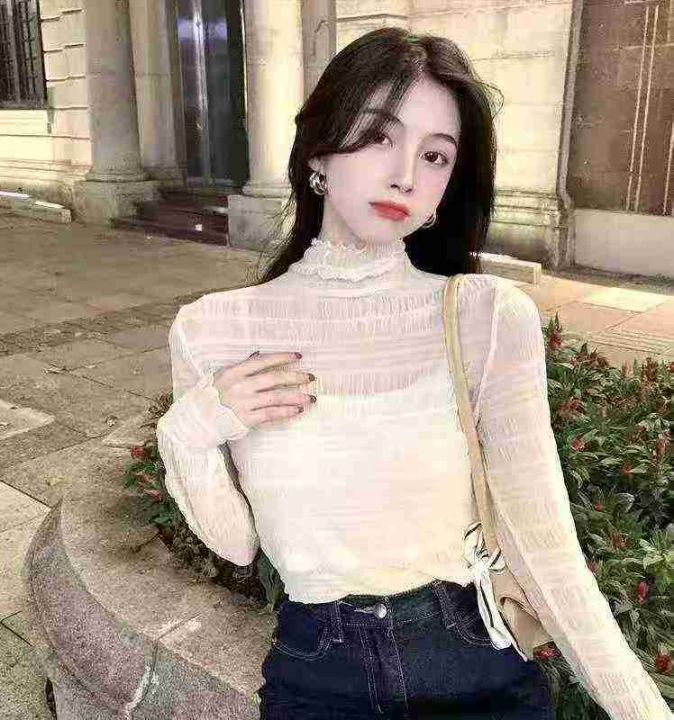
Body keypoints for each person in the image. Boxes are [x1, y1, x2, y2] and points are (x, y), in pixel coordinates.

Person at [155, 27, 672, 720]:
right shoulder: (214, 329)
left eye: (435, 156)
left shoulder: (485, 315)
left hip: (474, 665)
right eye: (378, 137)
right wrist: (189, 430)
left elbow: (546, 545)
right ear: (318, 152)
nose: (405, 174)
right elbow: (237, 544)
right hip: (317, 677)